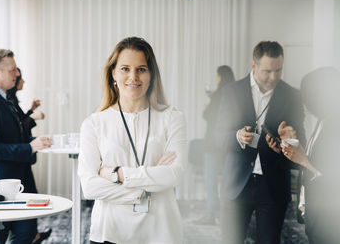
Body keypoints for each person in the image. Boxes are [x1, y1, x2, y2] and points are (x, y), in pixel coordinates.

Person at [78, 37, 187, 244]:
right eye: (125, 69)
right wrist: (145, 188)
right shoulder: (94, 123)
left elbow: (175, 174)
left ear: (151, 74)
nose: (133, 77)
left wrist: (116, 174)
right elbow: (90, 187)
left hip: (161, 232)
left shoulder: (172, 118)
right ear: (113, 74)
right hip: (110, 233)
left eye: (142, 69)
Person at [216, 41, 306, 244]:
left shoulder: (292, 96)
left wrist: (290, 139)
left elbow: (301, 146)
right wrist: (236, 137)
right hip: (236, 186)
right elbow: (217, 137)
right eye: (267, 71)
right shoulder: (232, 92)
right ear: (253, 66)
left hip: (273, 187)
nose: (273, 77)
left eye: (278, 70)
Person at [0, 49, 52, 244]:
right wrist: (30, 148)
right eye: (12, 70)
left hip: (17, 181)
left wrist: (34, 143)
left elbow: (15, 133)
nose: (17, 74)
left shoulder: (5, 97)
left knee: (27, 232)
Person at [269, 67, 340, 244]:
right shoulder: (322, 122)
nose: (305, 103)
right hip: (315, 218)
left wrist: (303, 159)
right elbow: (311, 163)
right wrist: (286, 149)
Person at [6, 68, 52, 243]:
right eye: (20, 78)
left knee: (32, 199)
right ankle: (32, 236)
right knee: (29, 201)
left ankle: (33, 235)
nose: (23, 81)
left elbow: (19, 124)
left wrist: (30, 110)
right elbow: (21, 127)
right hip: (17, 161)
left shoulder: (10, 101)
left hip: (22, 160)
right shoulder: (5, 100)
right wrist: (34, 117)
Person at [196, 65, 235, 225]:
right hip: (228, 143)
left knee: (210, 179)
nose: (215, 79)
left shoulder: (218, 95)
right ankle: (227, 214)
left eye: (216, 76)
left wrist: (207, 107)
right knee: (229, 179)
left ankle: (212, 213)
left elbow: (208, 115)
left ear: (220, 77)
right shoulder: (234, 94)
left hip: (213, 143)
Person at [7, 68, 45, 139]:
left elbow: (22, 119)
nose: (23, 81)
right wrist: (32, 117)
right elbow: (19, 128)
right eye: (20, 78)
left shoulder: (13, 99)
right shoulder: (8, 101)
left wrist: (32, 109)